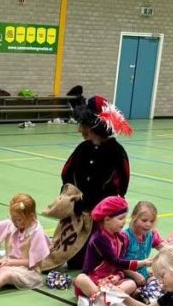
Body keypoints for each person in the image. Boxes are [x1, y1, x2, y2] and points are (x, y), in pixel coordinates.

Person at [45, 96, 132, 270]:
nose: (79, 129)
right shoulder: (83, 148)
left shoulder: (116, 152)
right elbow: (67, 173)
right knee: (73, 259)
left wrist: (92, 202)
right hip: (78, 210)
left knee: (92, 258)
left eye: (83, 125)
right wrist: (70, 197)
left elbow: (121, 186)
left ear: (93, 127)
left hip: (100, 215)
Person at [73, 196, 150, 306]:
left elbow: (119, 267)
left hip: (111, 282)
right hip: (94, 280)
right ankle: (108, 302)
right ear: (107, 219)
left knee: (131, 284)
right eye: (120, 218)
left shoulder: (122, 238)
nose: (124, 222)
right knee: (80, 279)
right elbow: (115, 261)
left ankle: (98, 302)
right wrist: (141, 263)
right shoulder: (98, 239)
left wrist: (118, 276)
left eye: (125, 218)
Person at [121, 200, 164, 302]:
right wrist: (134, 274)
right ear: (134, 218)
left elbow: (165, 249)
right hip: (126, 277)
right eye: (144, 220)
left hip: (144, 277)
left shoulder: (151, 235)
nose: (148, 224)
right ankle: (137, 294)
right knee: (130, 286)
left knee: (164, 284)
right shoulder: (125, 237)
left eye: (151, 221)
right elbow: (117, 264)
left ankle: (141, 294)